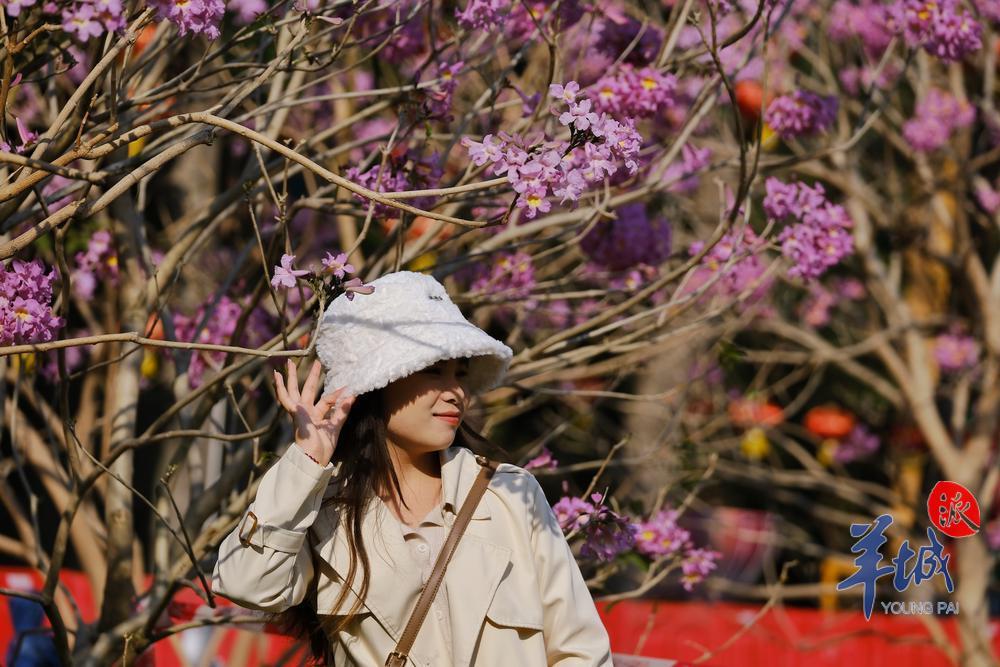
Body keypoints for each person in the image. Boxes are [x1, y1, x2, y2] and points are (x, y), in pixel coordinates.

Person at [211, 270, 613, 666]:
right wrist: (306, 464)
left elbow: (581, 650)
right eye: (432, 370)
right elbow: (247, 584)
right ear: (378, 383)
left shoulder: (510, 494)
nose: (455, 391)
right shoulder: (323, 508)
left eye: (461, 374)